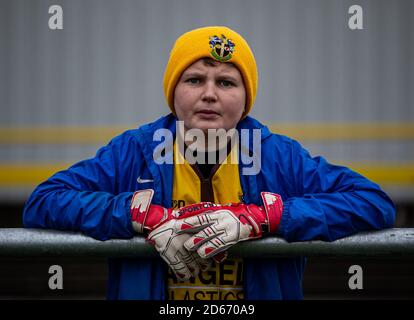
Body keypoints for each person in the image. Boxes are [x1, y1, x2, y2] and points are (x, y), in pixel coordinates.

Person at [23, 26, 396, 300]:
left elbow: (373, 202)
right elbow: (44, 201)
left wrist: (264, 217)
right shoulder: (134, 150)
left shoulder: (277, 155)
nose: (209, 94)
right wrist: (138, 216)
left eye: (227, 82)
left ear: (246, 98)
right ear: (173, 93)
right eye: (194, 79)